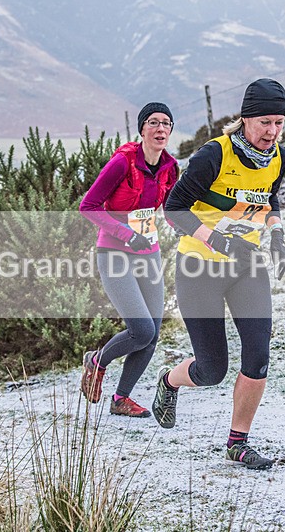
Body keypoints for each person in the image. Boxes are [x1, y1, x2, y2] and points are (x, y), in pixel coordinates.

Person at [153, 78, 285, 470]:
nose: (272, 131)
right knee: (212, 369)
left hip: (247, 267)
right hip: (199, 268)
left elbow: (270, 194)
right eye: (264, 122)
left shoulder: (276, 155)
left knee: (258, 356)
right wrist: (217, 240)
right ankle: (170, 381)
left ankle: (238, 441)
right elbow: (174, 208)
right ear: (244, 119)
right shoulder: (213, 155)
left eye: (279, 122)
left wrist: (276, 233)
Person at [79, 102, 179, 418]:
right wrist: (125, 234)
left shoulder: (170, 167)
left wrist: (184, 230)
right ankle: (97, 361)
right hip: (115, 252)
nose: (160, 128)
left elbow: (170, 209)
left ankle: (121, 399)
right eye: (153, 122)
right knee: (141, 329)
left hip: (148, 253)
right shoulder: (123, 163)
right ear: (142, 129)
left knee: (153, 332)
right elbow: (88, 206)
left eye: (166, 123)